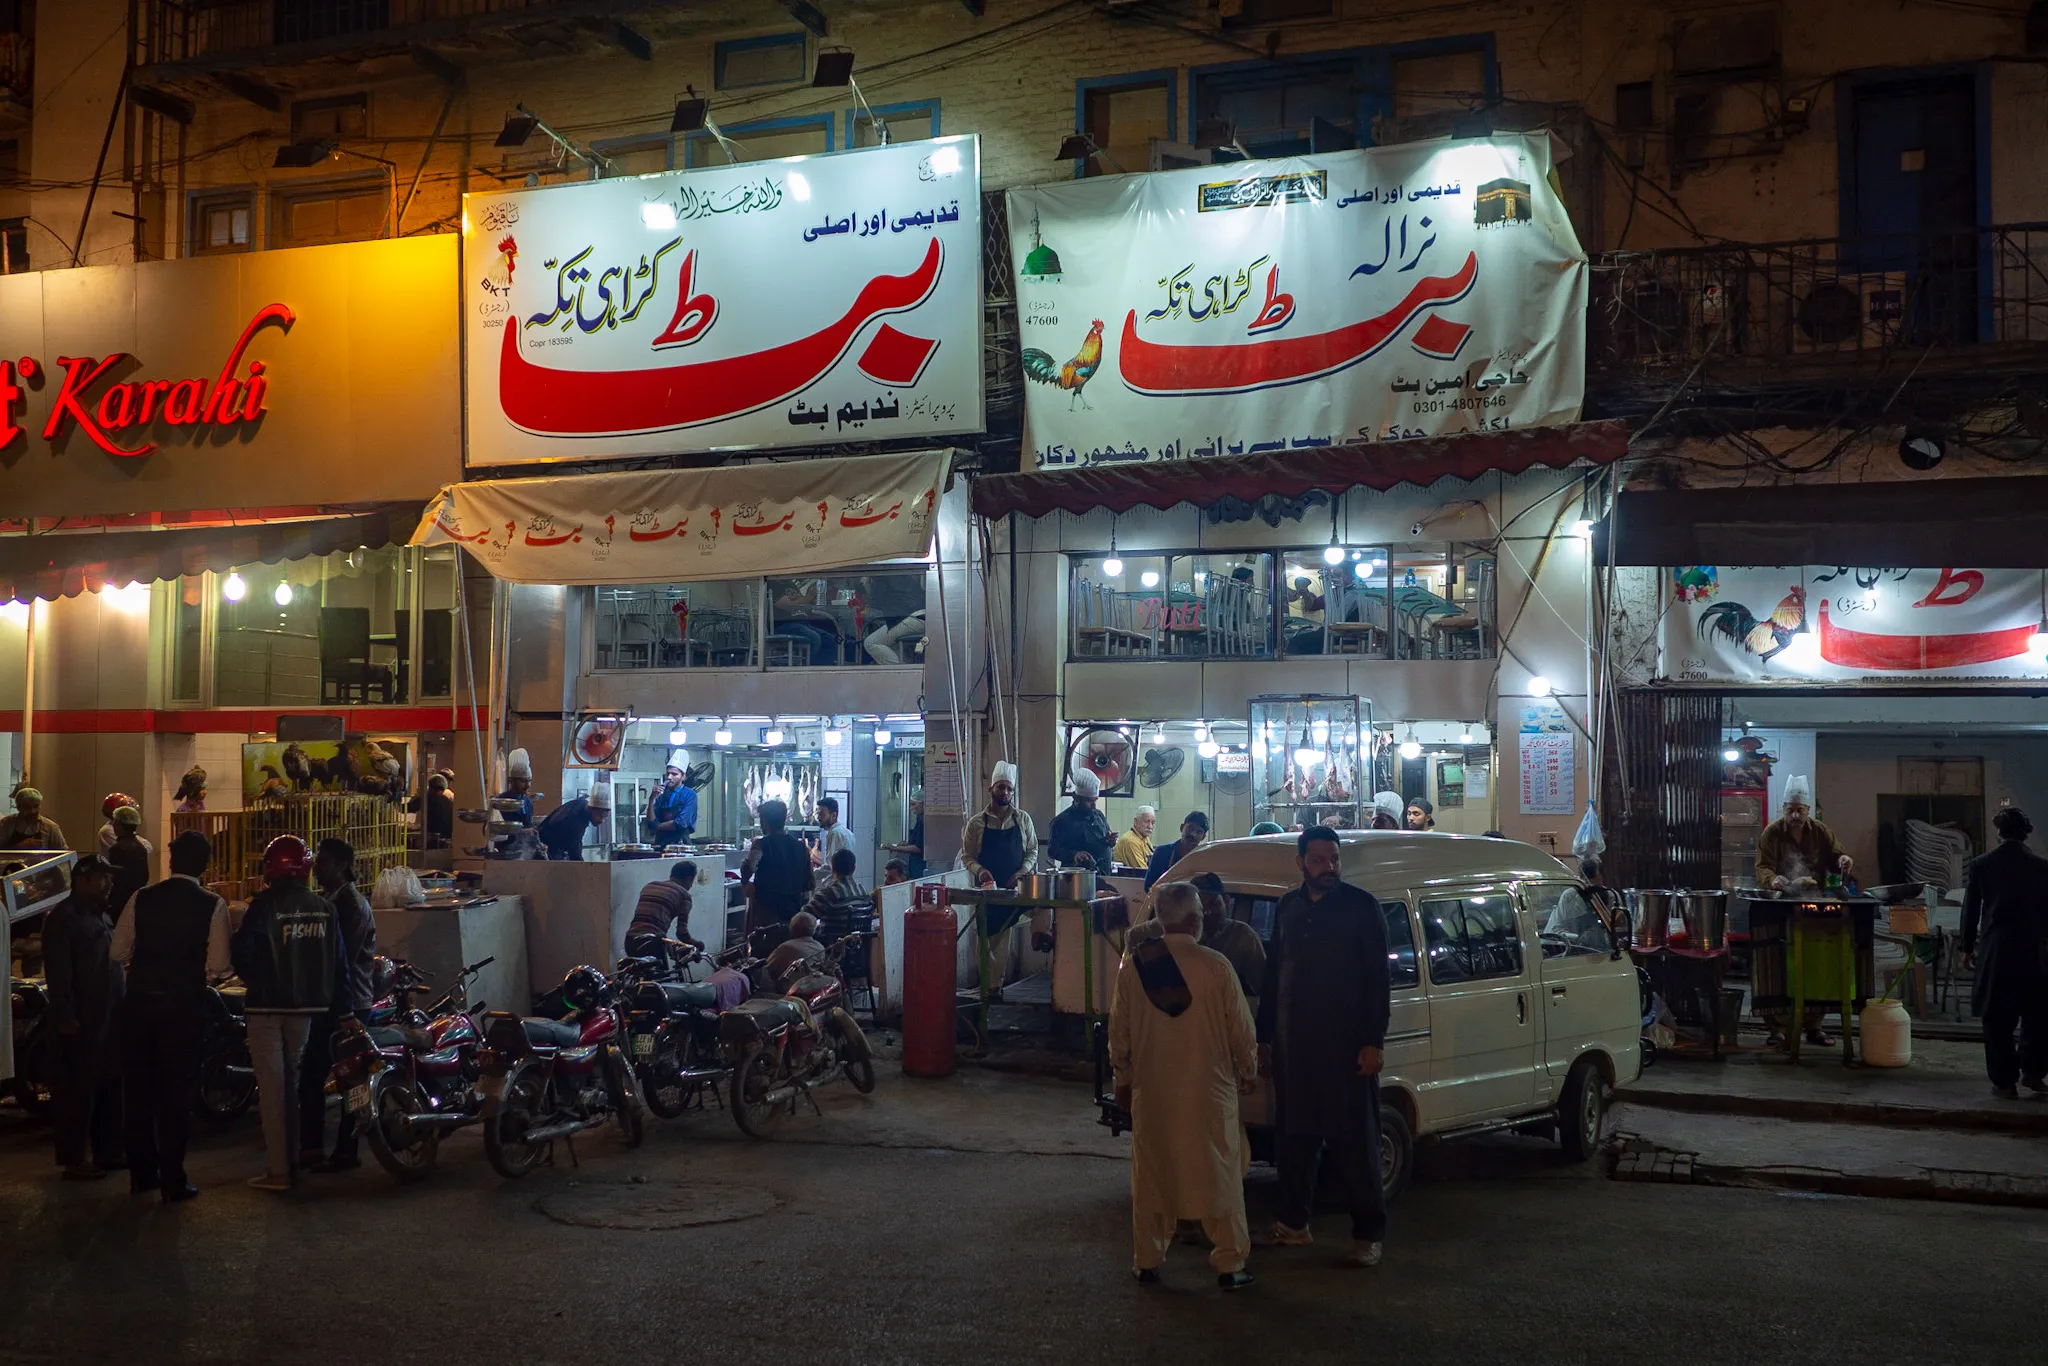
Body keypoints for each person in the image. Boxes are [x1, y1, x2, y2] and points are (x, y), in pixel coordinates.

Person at [1109, 881, 1258, 1291]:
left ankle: (1147, 1260)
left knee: (1153, 1175)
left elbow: (1118, 1033)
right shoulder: (1216, 966)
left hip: (1152, 1092)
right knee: (1221, 1173)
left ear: (1159, 919)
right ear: (1194, 920)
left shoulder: (1137, 965)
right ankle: (1230, 1263)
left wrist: (1122, 1078)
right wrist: (1249, 1070)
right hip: (1209, 1094)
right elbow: (1241, 1032)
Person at [1254, 826, 1390, 1268]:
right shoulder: (1289, 907)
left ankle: (1368, 1235)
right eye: (1318, 860)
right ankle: (1294, 1224)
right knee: (1294, 1144)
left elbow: (1377, 981)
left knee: (1356, 1147)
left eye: (1333, 859)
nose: (1328, 868)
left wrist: (1373, 1041)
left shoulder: (1361, 908)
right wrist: (1265, 1038)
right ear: (1300, 864)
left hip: (1347, 1052)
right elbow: (1276, 976)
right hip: (1296, 1051)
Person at [113, 830, 232, 1202]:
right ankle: (173, 1180)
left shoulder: (141, 898)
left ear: (170, 861)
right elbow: (219, 964)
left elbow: (117, 951)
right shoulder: (212, 904)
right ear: (206, 865)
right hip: (182, 1007)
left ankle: (141, 1175)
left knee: (138, 1092)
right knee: (174, 1094)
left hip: (139, 1006)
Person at [231, 835, 348, 1192]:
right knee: (292, 1086)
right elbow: (339, 965)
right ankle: (294, 1162)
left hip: (266, 1008)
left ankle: (279, 1172)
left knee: (271, 1090)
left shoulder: (263, 906)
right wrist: (343, 1011)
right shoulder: (325, 908)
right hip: (306, 1011)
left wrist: (262, 981)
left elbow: (242, 955)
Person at [1755, 776, 1852, 1047]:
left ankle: (1815, 1026)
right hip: (1781, 904)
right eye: (1790, 810)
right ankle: (1776, 1028)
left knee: (1817, 963)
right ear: (1783, 809)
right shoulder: (1772, 833)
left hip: (1814, 903)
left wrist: (1844, 860)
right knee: (1775, 964)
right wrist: (1774, 880)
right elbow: (1763, 866)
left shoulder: (1821, 831)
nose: (1795, 815)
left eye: (1800, 810)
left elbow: (1837, 858)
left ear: (1808, 811)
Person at [44, 856, 125, 1180]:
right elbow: (59, 974)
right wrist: (67, 1016)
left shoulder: (100, 915)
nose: (110, 883)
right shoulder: (64, 918)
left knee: (108, 1086)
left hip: (108, 1017)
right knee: (77, 1092)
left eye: (110, 877)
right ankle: (74, 1160)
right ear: (82, 879)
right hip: (82, 1021)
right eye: (103, 877)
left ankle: (107, 1153)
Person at [299, 838, 376, 1173]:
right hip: (328, 1001)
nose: (316, 867)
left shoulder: (352, 906)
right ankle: (313, 1147)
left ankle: (347, 1148)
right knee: (315, 1076)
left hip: (349, 1004)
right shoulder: (326, 900)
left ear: (342, 866)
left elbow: (338, 958)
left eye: (324, 862)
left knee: (352, 1080)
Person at [1961, 805, 2048, 1100]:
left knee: (1996, 1017)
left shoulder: (1982, 865)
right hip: (2034, 949)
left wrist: (1967, 946)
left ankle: (2004, 1082)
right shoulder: (2041, 867)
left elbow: (1971, 909)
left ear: (1998, 832)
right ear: (2025, 834)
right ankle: (2034, 1074)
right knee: (2036, 1014)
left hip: (1997, 949)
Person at [962, 761, 1038, 890]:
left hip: (1019, 889)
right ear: (990, 789)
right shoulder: (976, 823)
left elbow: (1032, 851)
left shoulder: (1023, 819)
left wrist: (1022, 872)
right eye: (1001, 787)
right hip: (987, 891)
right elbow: (967, 856)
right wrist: (980, 871)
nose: (1005, 792)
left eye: (1010, 789)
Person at [743, 798, 814, 931]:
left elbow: (749, 867)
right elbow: (809, 883)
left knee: (761, 947)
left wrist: (745, 883)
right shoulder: (801, 846)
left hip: (765, 911)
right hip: (792, 911)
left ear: (765, 822)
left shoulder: (760, 844)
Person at [626, 860, 703, 968]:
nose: (691, 886)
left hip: (630, 940)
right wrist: (697, 945)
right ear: (689, 879)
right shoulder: (684, 896)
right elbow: (682, 933)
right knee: (662, 981)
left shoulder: (650, 886)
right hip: (651, 943)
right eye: (692, 881)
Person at [1048, 768, 1115, 872]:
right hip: (1078, 878)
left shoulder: (1099, 816)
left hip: (1103, 874)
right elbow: (1052, 850)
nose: (1094, 805)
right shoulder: (1062, 821)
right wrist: (1074, 855)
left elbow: (1105, 837)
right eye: (1089, 801)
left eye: (1095, 800)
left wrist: (1110, 840)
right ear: (1076, 798)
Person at [803, 848, 870, 945]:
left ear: (833, 869)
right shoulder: (863, 891)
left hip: (830, 947)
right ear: (854, 868)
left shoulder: (830, 893)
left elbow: (804, 916)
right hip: (858, 947)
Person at [537, 780, 611, 861]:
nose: (601, 821)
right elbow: (575, 855)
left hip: (549, 847)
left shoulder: (582, 803)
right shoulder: (577, 821)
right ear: (591, 808)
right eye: (600, 816)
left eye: (604, 817)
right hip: (543, 850)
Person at [105, 806, 152, 919]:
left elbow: (115, 879)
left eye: (115, 823)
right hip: (135, 900)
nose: (113, 826)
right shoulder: (141, 848)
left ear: (121, 826)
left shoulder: (118, 849)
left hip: (120, 904)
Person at [1144, 811, 1210, 890]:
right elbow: (1149, 886)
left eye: (1198, 832)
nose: (1193, 834)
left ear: (1203, 837)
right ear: (1182, 828)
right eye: (1190, 828)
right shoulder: (1162, 853)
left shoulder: (1204, 859)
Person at [644, 754, 697, 846]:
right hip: (661, 843)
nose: (669, 777)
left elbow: (681, 823)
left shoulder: (690, 795)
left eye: (674, 774)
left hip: (681, 844)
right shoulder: (662, 797)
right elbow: (651, 823)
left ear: (683, 777)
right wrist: (651, 798)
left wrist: (658, 826)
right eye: (668, 773)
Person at [764, 910, 828, 982]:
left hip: (785, 989)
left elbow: (768, 967)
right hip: (809, 987)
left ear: (792, 928)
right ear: (814, 930)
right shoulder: (820, 947)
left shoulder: (786, 947)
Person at [1, 786, 65, 850]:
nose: (33, 811)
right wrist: (18, 847)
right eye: (27, 807)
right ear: (18, 807)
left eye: (36, 806)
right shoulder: (6, 824)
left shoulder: (51, 827)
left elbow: (64, 854)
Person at [884, 794, 926, 879]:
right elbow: (916, 840)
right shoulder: (919, 818)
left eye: (913, 804)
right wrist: (907, 844)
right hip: (914, 864)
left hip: (920, 865)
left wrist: (895, 848)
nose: (911, 808)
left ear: (923, 804)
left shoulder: (924, 821)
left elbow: (918, 848)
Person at [410, 774, 455, 848]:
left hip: (432, 839)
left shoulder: (427, 798)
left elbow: (410, 807)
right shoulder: (448, 802)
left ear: (430, 787)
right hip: (447, 840)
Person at [497, 748, 535, 826]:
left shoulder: (528, 802)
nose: (528, 785)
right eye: (523, 781)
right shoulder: (501, 801)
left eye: (529, 781)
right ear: (511, 780)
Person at [1114, 806, 1158, 871]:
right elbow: (1143, 871)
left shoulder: (1144, 838)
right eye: (1146, 821)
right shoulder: (1131, 841)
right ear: (1136, 821)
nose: (1150, 826)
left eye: (1153, 822)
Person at [815, 795, 852, 866]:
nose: (818, 817)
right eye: (818, 814)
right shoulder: (846, 832)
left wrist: (812, 874)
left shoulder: (835, 833)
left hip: (837, 877)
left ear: (834, 815)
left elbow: (830, 867)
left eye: (822, 814)